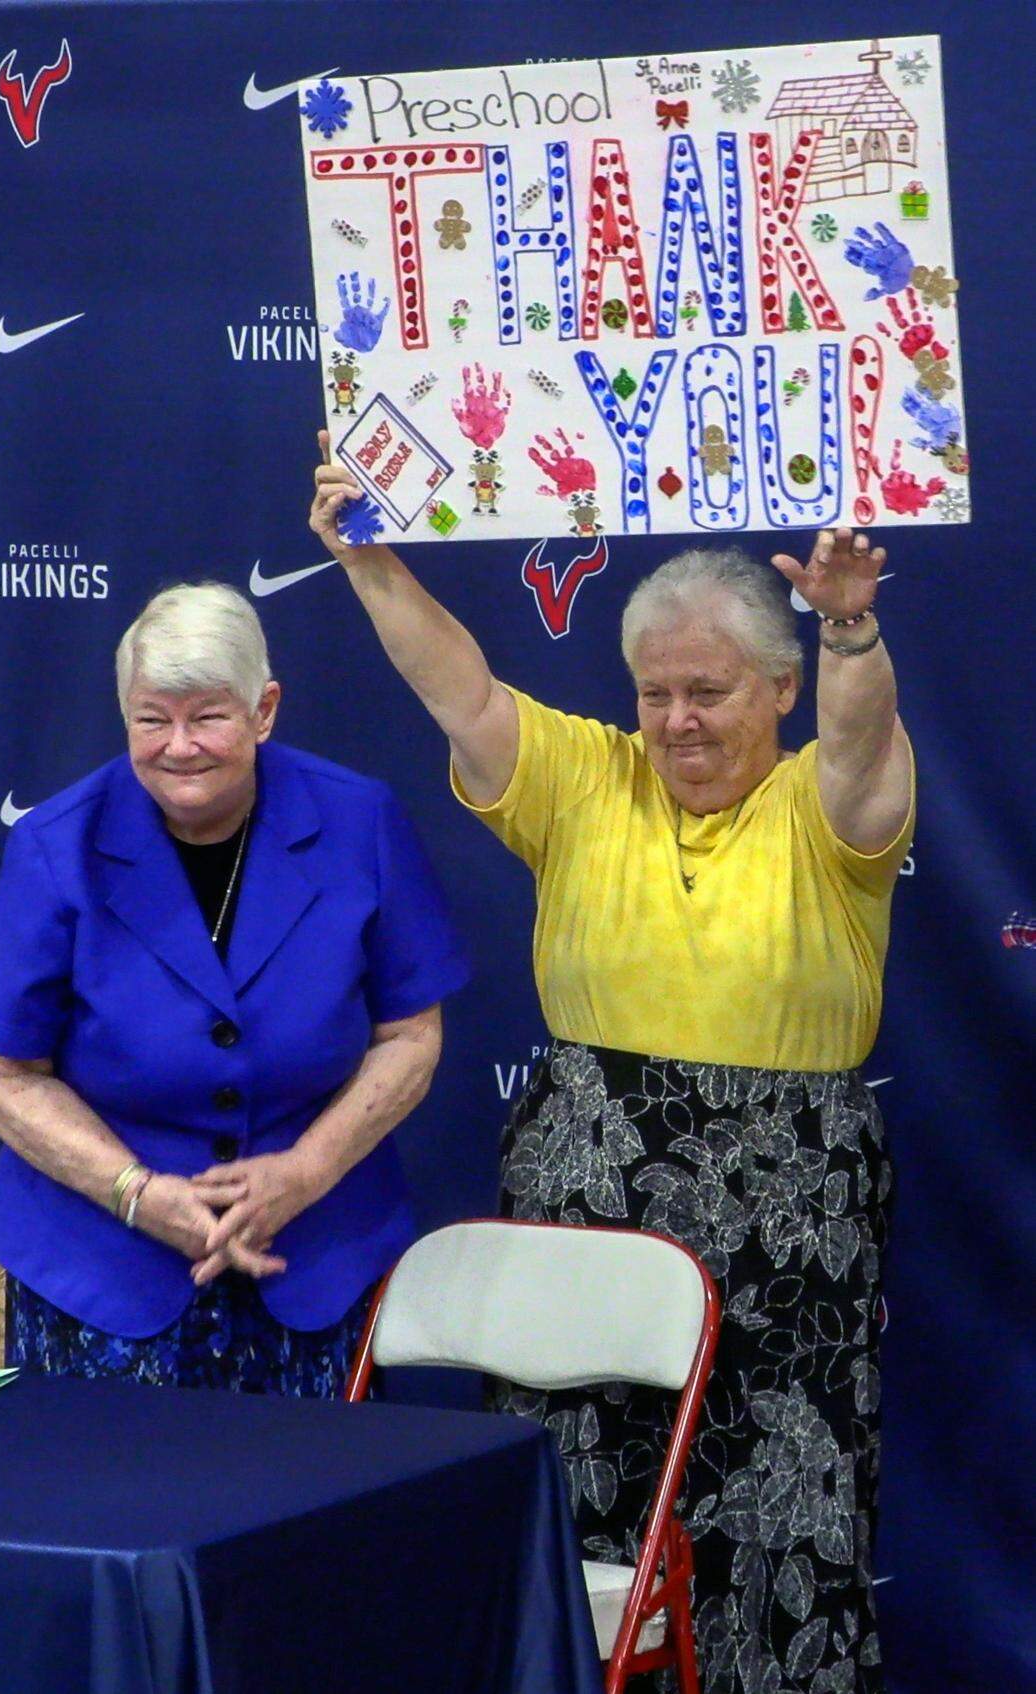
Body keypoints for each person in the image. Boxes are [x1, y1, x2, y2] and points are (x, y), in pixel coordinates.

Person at [311, 434, 913, 1694]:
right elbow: (462, 693)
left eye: (711, 689)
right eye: (657, 692)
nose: (680, 719)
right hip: (589, 1183)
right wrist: (367, 561)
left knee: (775, 1523)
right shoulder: (587, 780)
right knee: (574, 1505)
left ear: (780, 689)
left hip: (791, 1213)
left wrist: (851, 632)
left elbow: (866, 753)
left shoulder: (826, 807)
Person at [0, 581, 468, 1396]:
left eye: (208, 716)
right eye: (151, 718)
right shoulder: (55, 848)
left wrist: (303, 1174)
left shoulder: (358, 821)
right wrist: (136, 1194)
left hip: (316, 1261)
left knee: (321, 1514)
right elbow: (2, 1075)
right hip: (102, 1272)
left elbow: (411, 1035)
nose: (179, 746)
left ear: (264, 710)